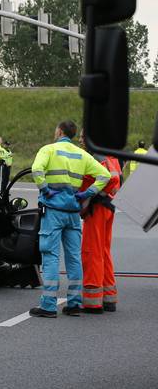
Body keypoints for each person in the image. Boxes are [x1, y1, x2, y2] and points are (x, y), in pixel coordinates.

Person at [29, 121, 111, 318]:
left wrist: (45, 189)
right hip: (73, 213)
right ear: (73, 135)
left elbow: (36, 170)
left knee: (50, 256)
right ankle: (74, 303)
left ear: (59, 131)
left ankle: (48, 305)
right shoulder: (82, 154)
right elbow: (105, 175)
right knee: (74, 258)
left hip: (53, 211)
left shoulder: (48, 150)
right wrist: (86, 194)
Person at [79, 131, 121, 314]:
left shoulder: (96, 157)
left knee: (91, 251)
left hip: (97, 208)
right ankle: (109, 298)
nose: (80, 140)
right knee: (103, 251)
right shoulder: (111, 156)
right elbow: (116, 178)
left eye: (83, 137)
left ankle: (93, 301)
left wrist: (87, 198)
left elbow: (108, 179)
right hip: (107, 207)